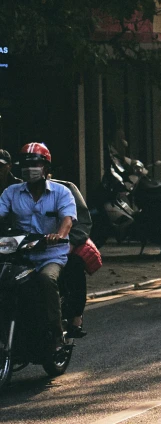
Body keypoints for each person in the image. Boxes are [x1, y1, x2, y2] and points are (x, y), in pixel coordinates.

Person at [0, 143, 75, 357]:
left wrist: (58, 235)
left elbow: (67, 220)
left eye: (35, 163)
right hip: (20, 256)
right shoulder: (11, 192)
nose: (29, 168)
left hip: (51, 255)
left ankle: (56, 334)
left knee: (46, 280)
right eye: (25, 164)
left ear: (45, 167)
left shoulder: (62, 192)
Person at [54, 178, 93, 339]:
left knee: (74, 265)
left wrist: (70, 241)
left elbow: (81, 223)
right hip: (22, 246)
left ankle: (75, 317)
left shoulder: (65, 189)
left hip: (61, 245)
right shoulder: (15, 191)